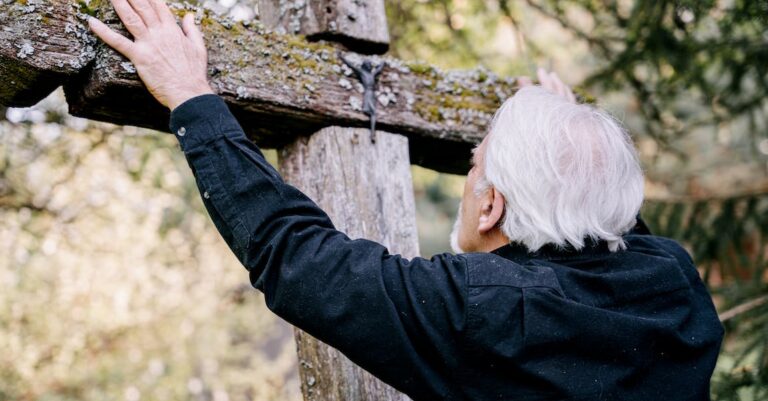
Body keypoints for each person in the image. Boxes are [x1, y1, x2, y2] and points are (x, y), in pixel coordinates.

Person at [87, 1, 725, 400]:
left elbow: (300, 259)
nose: (468, 179)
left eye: (474, 169)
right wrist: (567, 140)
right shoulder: (673, 282)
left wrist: (192, 98)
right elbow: (615, 226)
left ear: (490, 208)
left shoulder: (487, 309)